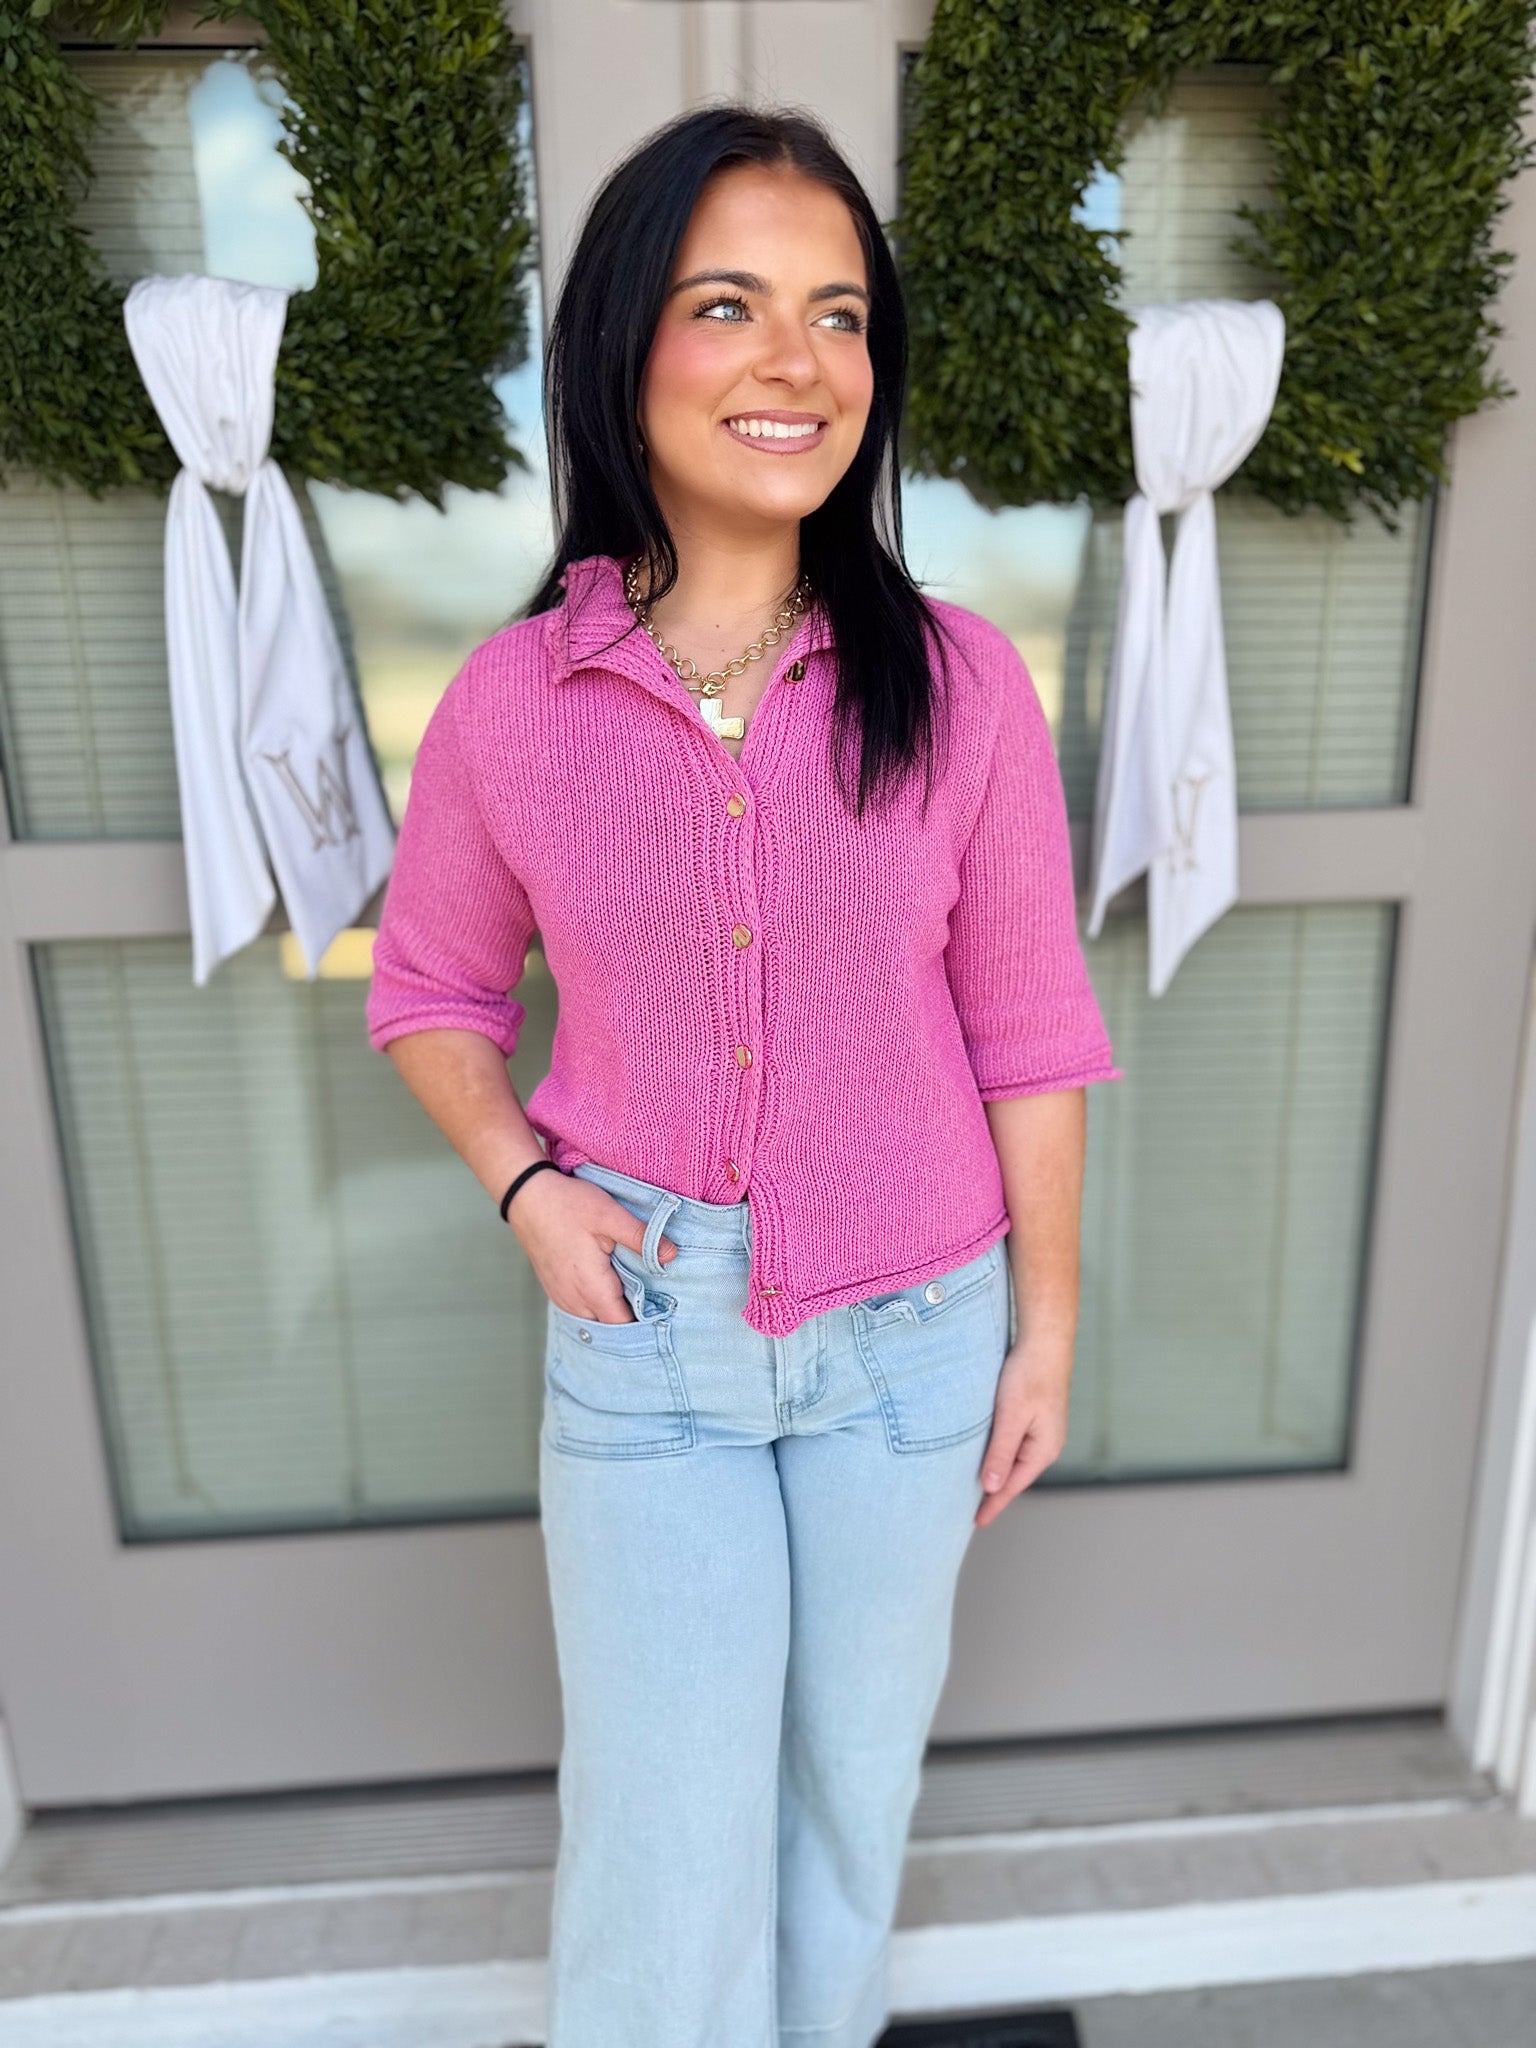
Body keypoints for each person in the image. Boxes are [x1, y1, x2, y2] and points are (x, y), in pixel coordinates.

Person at [365, 101, 1122, 2048]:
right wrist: (526, 1185)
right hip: (647, 1336)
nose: (800, 363)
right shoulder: (515, 705)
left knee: (843, 1801)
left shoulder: (955, 686)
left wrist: (1043, 1329)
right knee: (661, 1829)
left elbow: (1030, 1023)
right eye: (731, 305)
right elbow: (434, 991)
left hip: (916, 1343)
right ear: (627, 348)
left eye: (842, 314)